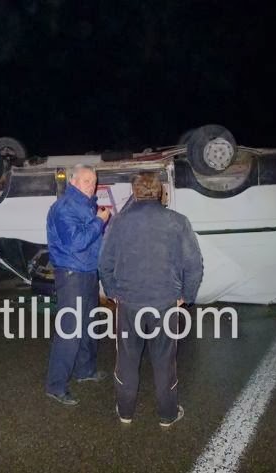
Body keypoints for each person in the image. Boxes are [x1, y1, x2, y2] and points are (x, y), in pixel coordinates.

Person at [99, 172, 203, 427]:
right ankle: (167, 415)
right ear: (160, 193)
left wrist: (113, 293)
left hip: (129, 304)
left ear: (135, 193)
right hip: (165, 304)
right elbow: (194, 266)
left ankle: (125, 412)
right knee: (164, 360)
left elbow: (104, 263)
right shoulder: (178, 222)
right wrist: (185, 297)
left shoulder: (119, 222)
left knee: (127, 359)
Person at [45, 164, 111, 406]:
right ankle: (55, 385)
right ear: (73, 182)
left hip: (88, 272)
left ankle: (85, 370)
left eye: (93, 181)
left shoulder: (86, 204)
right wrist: (100, 221)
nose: (91, 185)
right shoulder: (64, 207)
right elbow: (76, 242)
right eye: (86, 181)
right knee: (70, 330)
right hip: (71, 274)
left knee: (88, 325)